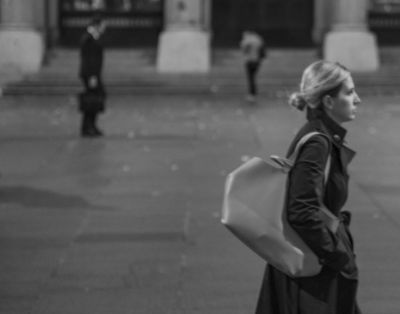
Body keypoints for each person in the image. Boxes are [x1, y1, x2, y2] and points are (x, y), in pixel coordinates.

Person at [255, 60, 362, 314]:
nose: (357, 99)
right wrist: (336, 255)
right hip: (312, 274)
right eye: (349, 92)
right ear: (328, 101)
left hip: (311, 263)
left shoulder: (319, 135)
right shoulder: (318, 143)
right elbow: (301, 210)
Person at [78, 15, 106, 137]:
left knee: (94, 99)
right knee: (91, 100)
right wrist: (92, 76)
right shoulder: (89, 38)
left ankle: (91, 126)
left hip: (93, 74)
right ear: (97, 25)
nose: (104, 28)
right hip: (91, 75)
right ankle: (88, 127)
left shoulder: (92, 37)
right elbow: (89, 59)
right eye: (103, 26)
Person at [240, 30, 266, 103]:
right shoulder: (258, 39)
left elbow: (244, 49)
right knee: (253, 78)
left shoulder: (246, 40)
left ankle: (252, 94)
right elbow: (262, 49)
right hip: (257, 61)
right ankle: (253, 93)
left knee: (251, 78)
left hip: (250, 61)